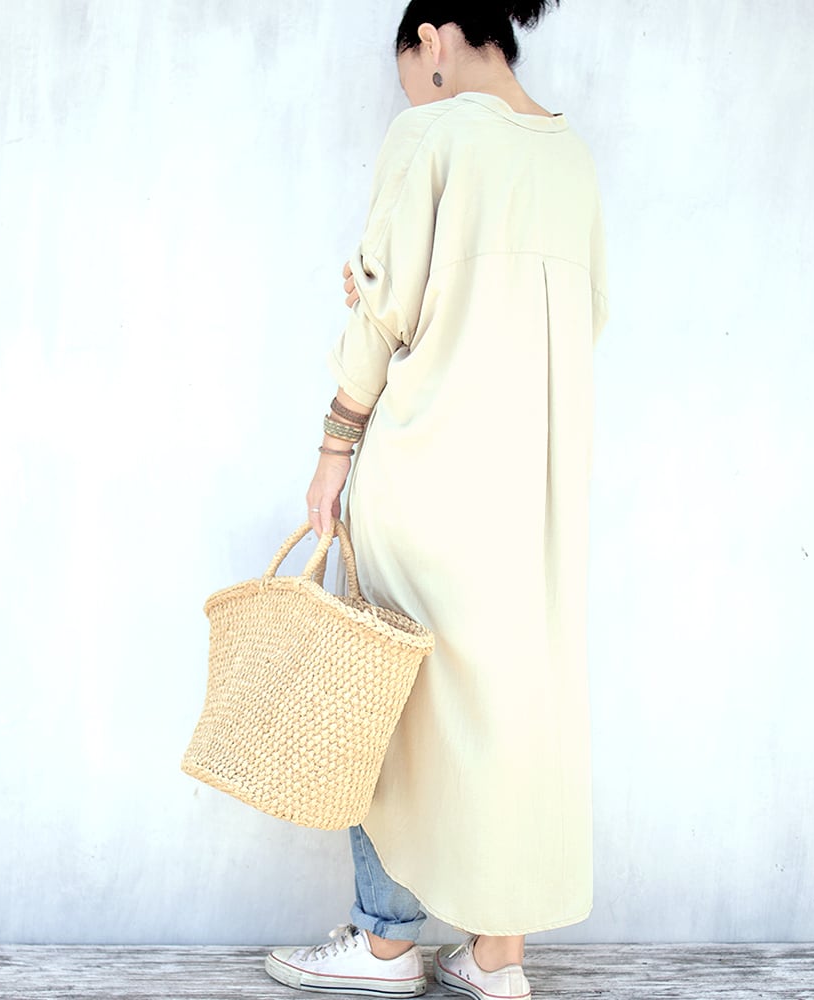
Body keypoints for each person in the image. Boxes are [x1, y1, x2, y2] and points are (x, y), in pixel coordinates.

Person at [265, 1, 608, 997]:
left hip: (427, 468)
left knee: (386, 695)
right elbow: (585, 319)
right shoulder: (571, 159)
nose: (415, 94)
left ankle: (385, 947)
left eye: (411, 73)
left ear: (434, 38)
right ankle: (499, 957)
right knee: (512, 705)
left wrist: (335, 446)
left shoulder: (432, 135)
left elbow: (383, 311)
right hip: (534, 491)